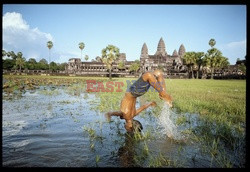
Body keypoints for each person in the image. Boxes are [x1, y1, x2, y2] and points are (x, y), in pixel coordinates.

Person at [105, 69, 173, 132]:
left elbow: (143, 107)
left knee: (158, 73)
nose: (125, 128)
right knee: (148, 75)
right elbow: (118, 113)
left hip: (140, 93)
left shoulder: (134, 114)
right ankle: (164, 95)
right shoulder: (125, 115)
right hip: (134, 92)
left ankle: (163, 94)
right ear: (130, 126)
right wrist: (110, 114)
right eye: (127, 129)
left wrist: (150, 103)